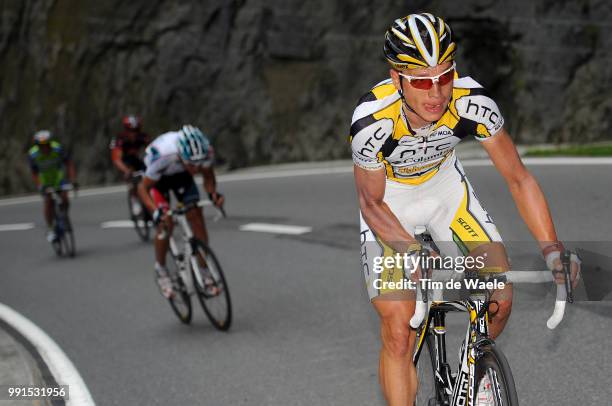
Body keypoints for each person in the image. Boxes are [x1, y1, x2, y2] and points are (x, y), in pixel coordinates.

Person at [350, 13, 581, 405]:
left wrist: (552, 249)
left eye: (445, 76)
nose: (436, 92)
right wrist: (409, 251)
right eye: (422, 81)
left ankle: (475, 374)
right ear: (396, 80)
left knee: (500, 296)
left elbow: (519, 179)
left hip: (445, 194)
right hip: (391, 206)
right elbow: (370, 203)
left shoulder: (473, 103)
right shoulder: (372, 122)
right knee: (398, 328)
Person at [138, 125, 224, 298]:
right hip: (158, 179)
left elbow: (208, 176)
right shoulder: (164, 154)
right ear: (180, 154)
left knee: (196, 216)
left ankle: (204, 273)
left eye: (198, 163)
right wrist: (155, 212)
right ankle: (161, 270)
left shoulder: (205, 152)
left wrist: (213, 194)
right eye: (192, 164)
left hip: (180, 176)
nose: (196, 169)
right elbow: (143, 189)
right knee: (166, 223)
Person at [28, 130, 77, 242]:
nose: (45, 148)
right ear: (37, 146)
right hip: (45, 181)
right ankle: (50, 228)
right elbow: (34, 173)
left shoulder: (57, 149)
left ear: (51, 143)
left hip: (58, 178)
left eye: (47, 144)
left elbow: (69, 164)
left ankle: (64, 216)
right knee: (48, 201)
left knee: (65, 198)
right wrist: (40, 185)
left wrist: (73, 180)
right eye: (42, 146)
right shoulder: (33, 155)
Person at [110, 115, 150, 214]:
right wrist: (126, 171)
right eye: (131, 130)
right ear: (126, 130)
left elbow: (152, 150)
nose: (134, 133)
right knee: (131, 176)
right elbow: (116, 159)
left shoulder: (143, 137)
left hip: (136, 159)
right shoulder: (120, 140)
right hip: (124, 162)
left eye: (136, 130)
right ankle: (134, 199)